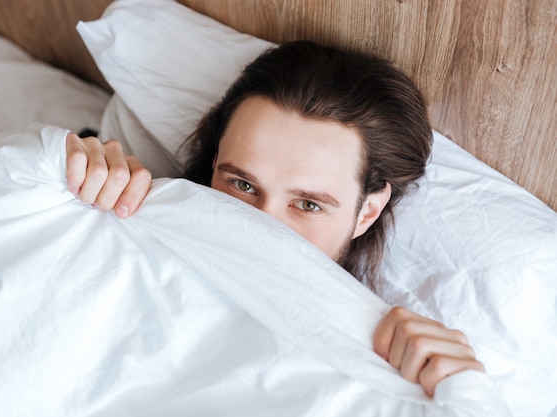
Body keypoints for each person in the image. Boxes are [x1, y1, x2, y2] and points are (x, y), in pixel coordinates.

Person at [65, 40, 485, 397]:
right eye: (242, 185)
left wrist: (461, 391)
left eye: (307, 205)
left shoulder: (375, 370)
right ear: (214, 165)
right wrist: (71, 179)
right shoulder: (120, 222)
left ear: (366, 212)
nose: (258, 227)